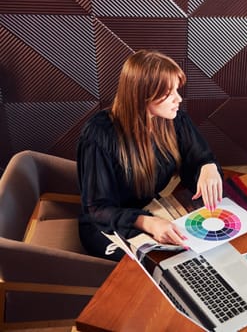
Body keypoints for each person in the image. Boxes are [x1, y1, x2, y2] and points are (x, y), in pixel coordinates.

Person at [77, 50, 223, 261]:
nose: (178, 99)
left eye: (177, 90)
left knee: (193, 252)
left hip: (151, 210)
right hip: (107, 225)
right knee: (161, 263)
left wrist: (208, 166)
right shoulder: (98, 134)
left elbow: (199, 159)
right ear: (143, 95)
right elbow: (98, 210)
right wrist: (147, 222)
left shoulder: (175, 120)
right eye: (168, 93)